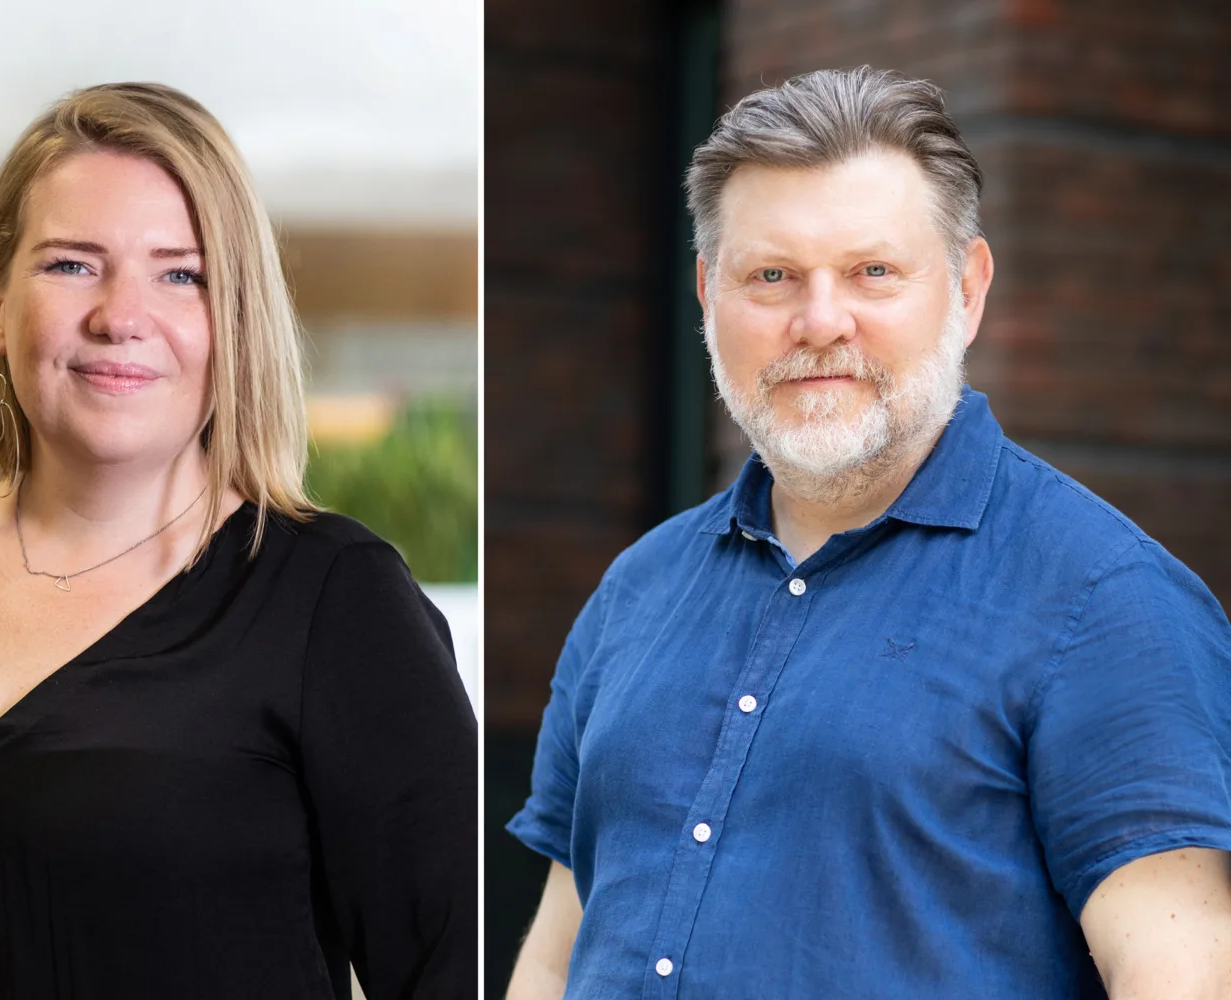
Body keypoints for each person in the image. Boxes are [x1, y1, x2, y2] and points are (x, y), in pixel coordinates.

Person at [505, 67, 1231, 999]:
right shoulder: (637, 590)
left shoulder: (1107, 602)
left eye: (871, 272)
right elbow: (555, 958)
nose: (819, 321)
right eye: (771, 277)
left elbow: (1183, 976)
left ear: (967, 290)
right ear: (707, 293)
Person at [0, 82, 476, 1000]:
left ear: (234, 319)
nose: (120, 316)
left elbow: (452, 972)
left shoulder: (338, 601)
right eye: (71, 265)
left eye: (181, 273)